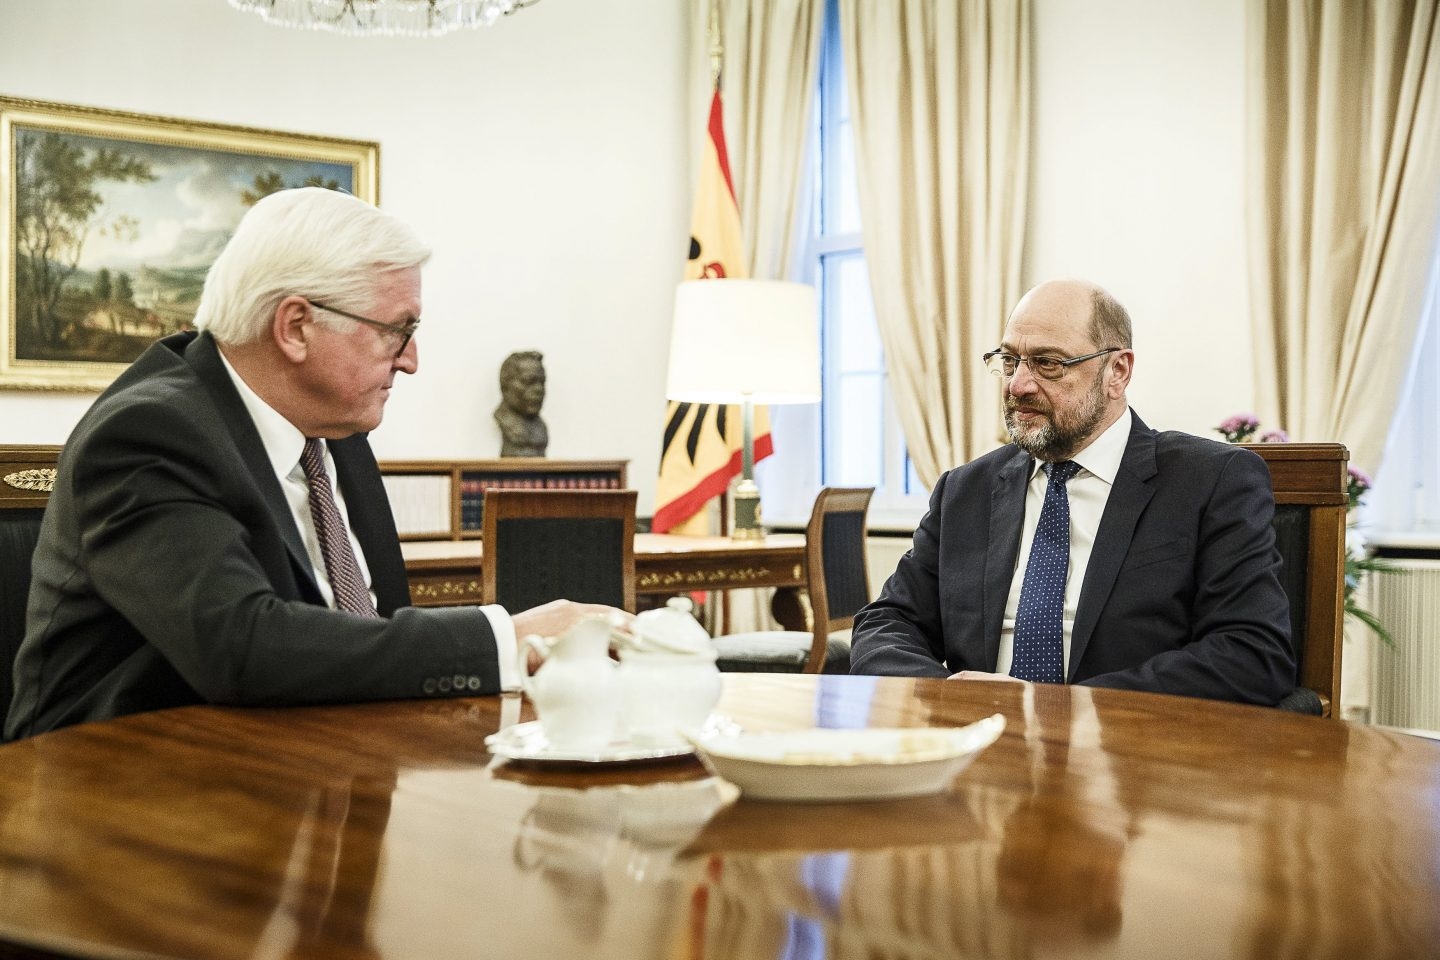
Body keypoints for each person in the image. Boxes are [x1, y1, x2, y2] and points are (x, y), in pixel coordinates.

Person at [5, 188, 615, 741]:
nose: (412, 361)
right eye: (397, 331)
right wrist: (505, 638)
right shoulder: (150, 434)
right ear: (296, 326)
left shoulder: (335, 427)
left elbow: (366, 625)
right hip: (115, 797)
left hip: (309, 764)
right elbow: (243, 644)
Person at [849, 279, 1295, 706]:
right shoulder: (965, 490)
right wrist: (947, 695)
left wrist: (1059, 706)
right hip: (976, 750)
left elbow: (1252, 652)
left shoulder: (1211, 481)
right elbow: (886, 623)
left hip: (1127, 758)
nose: (1017, 385)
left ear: (1117, 372)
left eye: (1048, 364)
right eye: (1009, 360)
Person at [494, 350, 548, 457]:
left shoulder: (540, 426)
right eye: (528, 381)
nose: (539, 389)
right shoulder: (504, 420)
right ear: (505, 385)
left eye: (541, 382)